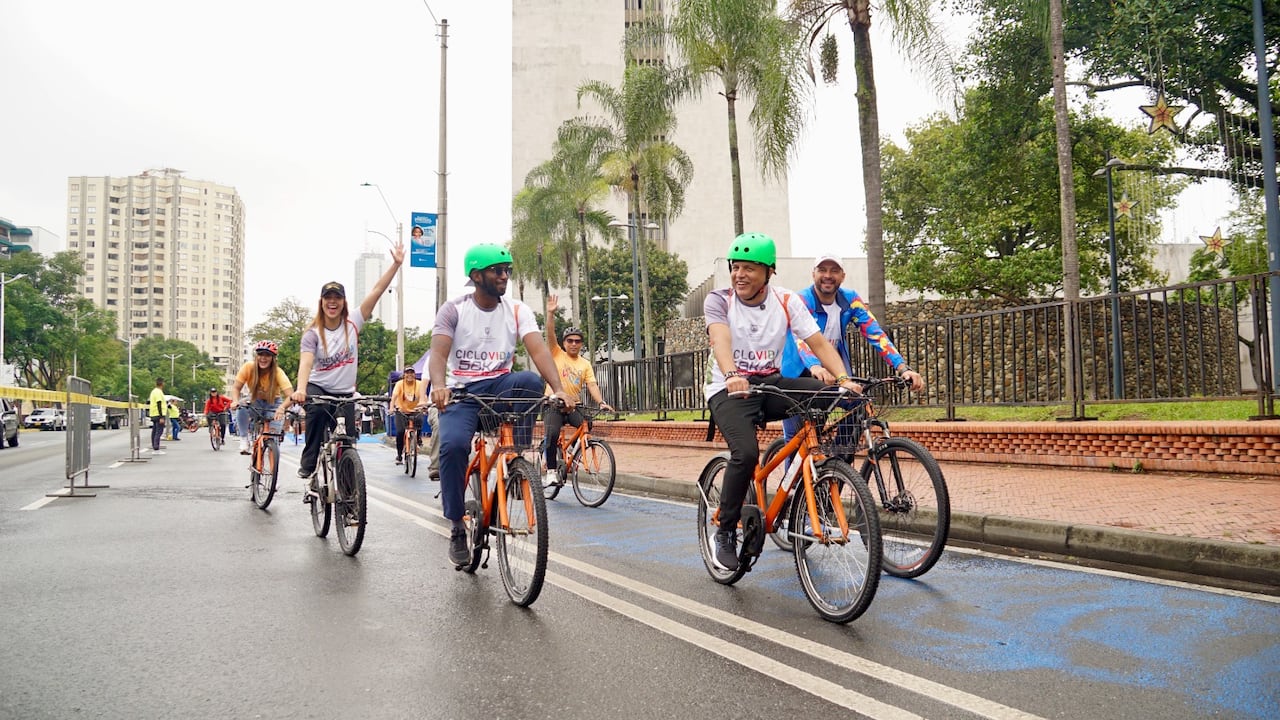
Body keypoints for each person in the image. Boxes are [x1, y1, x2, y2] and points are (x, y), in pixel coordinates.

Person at [703, 233, 911, 572]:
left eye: (749, 269)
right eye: (735, 268)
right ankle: (724, 531)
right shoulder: (719, 300)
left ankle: (817, 477)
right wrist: (730, 374)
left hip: (770, 383)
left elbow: (817, 342)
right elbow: (720, 339)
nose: (740, 275)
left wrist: (843, 380)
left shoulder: (786, 300)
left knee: (839, 399)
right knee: (746, 454)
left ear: (769, 272)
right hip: (729, 389)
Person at [429, 243, 575, 565]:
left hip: (499, 386)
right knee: (453, 447)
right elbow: (438, 354)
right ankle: (455, 524)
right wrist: (439, 386)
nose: (504, 276)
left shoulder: (518, 310)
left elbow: (538, 352)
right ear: (476, 275)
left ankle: (514, 460)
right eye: (497, 270)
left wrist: (559, 388)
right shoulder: (453, 309)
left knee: (531, 382)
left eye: (507, 270)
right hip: (462, 393)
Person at [779, 252, 925, 447]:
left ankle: (838, 463)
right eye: (822, 270)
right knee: (799, 443)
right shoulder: (801, 300)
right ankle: (796, 476)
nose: (828, 275)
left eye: (834, 271)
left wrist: (903, 368)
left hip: (834, 373)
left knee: (858, 403)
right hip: (796, 373)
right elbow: (800, 338)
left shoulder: (851, 300)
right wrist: (815, 366)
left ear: (843, 276)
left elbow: (876, 334)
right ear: (813, 274)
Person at [292, 243, 405, 485]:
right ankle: (309, 459)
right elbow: (305, 363)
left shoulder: (353, 321)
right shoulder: (313, 333)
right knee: (317, 410)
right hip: (318, 388)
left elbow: (376, 290)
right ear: (321, 302)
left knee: (347, 441)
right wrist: (301, 389)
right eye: (328, 298)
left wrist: (395, 264)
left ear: (343, 302)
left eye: (337, 298)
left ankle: (350, 497)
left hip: (345, 393)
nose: (332, 303)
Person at [541, 294, 613, 487]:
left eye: (577, 341)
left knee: (586, 425)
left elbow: (592, 385)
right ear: (564, 343)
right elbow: (549, 334)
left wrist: (601, 402)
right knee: (553, 433)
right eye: (570, 341)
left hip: (573, 406)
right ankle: (550, 470)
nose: (573, 344)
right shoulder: (557, 353)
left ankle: (571, 455)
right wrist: (550, 314)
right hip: (553, 404)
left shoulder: (585, 364)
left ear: (581, 344)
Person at [230, 340, 296, 455]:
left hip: (274, 403)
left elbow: (291, 395)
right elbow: (236, 388)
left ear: (273, 358)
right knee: (242, 406)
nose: (263, 358)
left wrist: (282, 408)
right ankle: (244, 439)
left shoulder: (278, 372)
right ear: (256, 356)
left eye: (267, 355)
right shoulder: (248, 367)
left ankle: (272, 465)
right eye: (260, 354)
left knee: (273, 438)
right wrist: (235, 401)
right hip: (255, 401)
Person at [390, 365, 428, 465]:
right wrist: (391, 408)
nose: (410, 375)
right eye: (407, 373)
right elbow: (394, 397)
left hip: (415, 409)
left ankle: (418, 438)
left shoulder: (419, 384)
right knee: (400, 432)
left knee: (419, 422)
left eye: (412, 373)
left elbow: (424, 396)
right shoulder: (399, 384)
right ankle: (399, 455)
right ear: (404, 375)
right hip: (401, 410)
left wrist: (425, 405)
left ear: (414, 374)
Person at [148, 378, 167, 453]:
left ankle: (154, 445)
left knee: (155, 430)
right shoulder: (159, 392)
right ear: (162, 384)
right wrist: (161, 416)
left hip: (153, 413)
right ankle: (156, 447)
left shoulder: (153, 392)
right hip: (158, 413)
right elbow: (159, 403)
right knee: (159, 431)